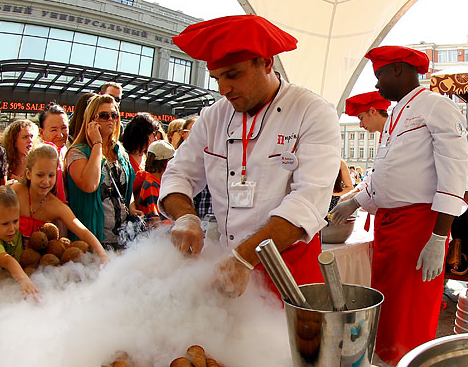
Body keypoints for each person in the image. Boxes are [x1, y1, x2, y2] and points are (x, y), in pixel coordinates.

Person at [159, 15, 341, 298]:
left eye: (233, 75)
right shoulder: (213, 116)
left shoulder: (312, 112)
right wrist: (185, 217)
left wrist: (244, 258)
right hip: (225, 266)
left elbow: (308, 201)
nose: (223, 89)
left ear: (266, 62)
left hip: (289, 270)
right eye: (217, 78)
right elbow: (178, 174)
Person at [330, 46, 468, 366]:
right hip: (391, 224)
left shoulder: (436, 107)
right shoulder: (396, 113)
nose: (377, 86)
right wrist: (355, 201)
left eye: (379, 75)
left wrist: (438, 237)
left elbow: (454, 174)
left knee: (410, 310)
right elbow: (389, 172)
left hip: (421, 224)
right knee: (388, 303)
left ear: (397, 70)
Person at [12, 144, 107, 261]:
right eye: (40, 175)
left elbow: (83, 231)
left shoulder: (55, 205)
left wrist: (102, 254)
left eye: (51, 175)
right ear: (28, 174)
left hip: (38, 268)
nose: (46, 181)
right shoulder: (16, 192)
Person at [65, 94, 136, 248]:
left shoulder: (120, 151)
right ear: (91, 119)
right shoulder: (77, 152)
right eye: (104, 115)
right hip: (92, 242)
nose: (110, 119)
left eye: (114, 115)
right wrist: (97, 143)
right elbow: (89, 184)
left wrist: (133, 209)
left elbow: (126, 190)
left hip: (123, 240)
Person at [0, 185, 37, 298]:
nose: (12, 228)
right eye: (5, 224)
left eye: (15, 221)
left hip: (12, 285)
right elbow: (7, 261)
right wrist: (23, 279)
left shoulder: (17, 233)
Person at [120, 112, 162, 200]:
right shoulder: (124, 157)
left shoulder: (145, 156)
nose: (156, 139)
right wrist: (145, 175)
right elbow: (125, 188)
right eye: (153, 134)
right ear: (143, 135)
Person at [38, 103, 70, 202]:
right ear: (41, 133)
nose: (60, 135)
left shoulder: (66, 151)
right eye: (53, 130)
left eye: (64, 128)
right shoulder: (39, 157)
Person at [139, 139, 174, 228]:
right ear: (167, 163)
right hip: (157, 237)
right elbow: (155, 221)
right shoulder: (151, 185)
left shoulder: (156, 182)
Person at [1, 118, 38, 183]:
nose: (30, 140)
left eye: (31, 136)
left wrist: (20, 181)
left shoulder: (38, 161)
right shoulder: (6, 161)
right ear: (14, 142)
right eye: (25, 137)